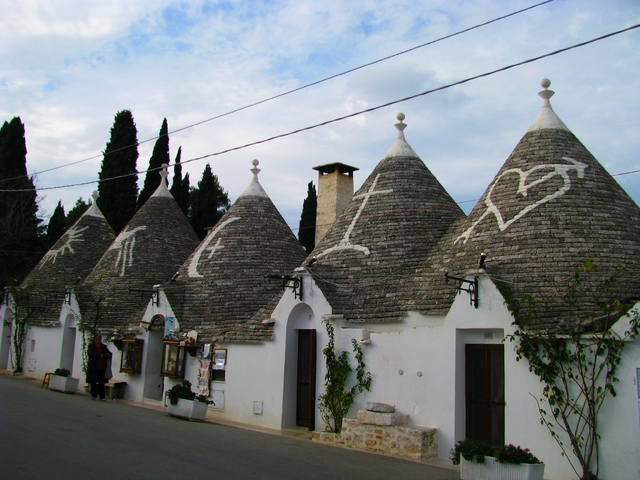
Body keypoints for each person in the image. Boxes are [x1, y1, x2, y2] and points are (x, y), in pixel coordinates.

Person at [86, 334, 112, 401]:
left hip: (101, 366)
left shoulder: (103, 347)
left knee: (101, 382)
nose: (98, 340)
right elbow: (90, 354)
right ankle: (94, 395)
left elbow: (108, 354)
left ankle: (102, 397)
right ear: (94, 339)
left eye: (99, 339)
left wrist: (103, 356)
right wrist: (99, 355)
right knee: (93, 382)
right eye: (96, 339)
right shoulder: (91, 346)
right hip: (94, 366)